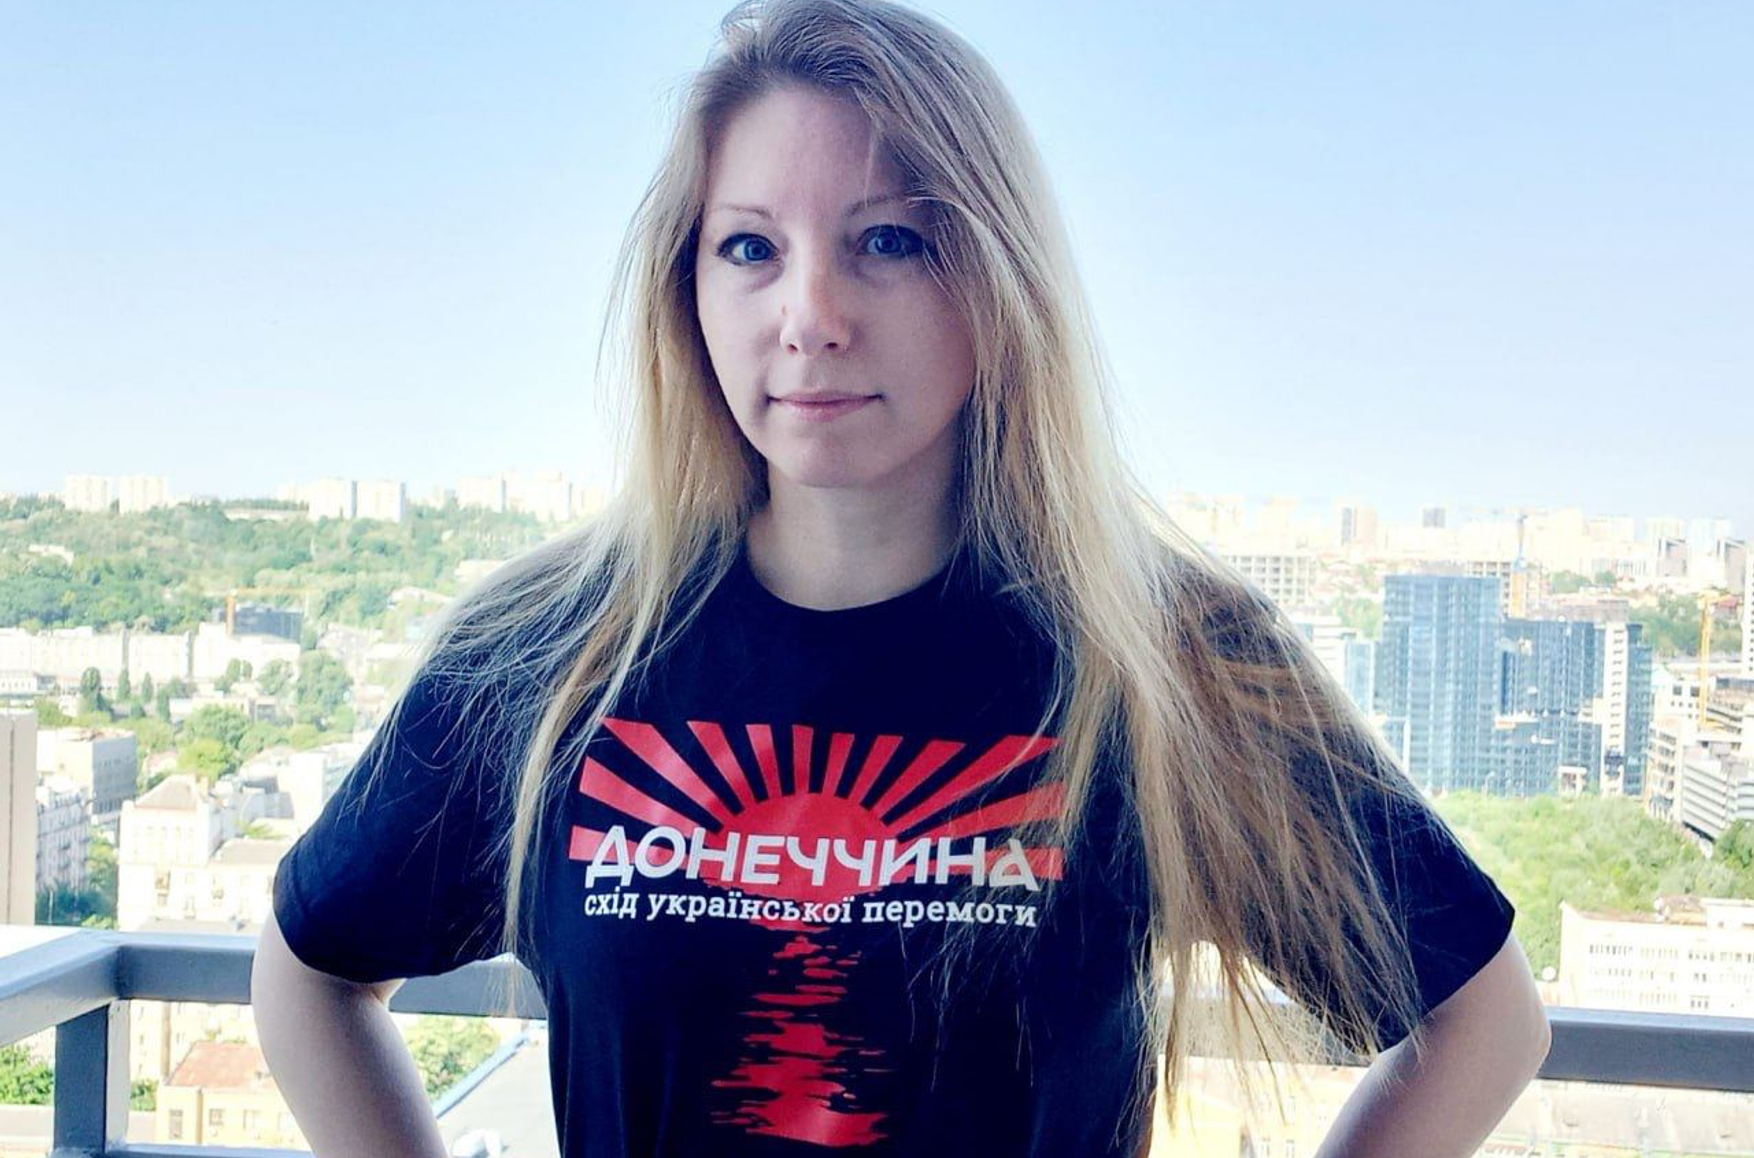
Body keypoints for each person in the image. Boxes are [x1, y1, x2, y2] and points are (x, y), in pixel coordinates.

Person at [251, 1, 1551, 1155]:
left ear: (998, 278)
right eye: (749, 248)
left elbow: (1482, 1020)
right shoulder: (545, 652)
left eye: (886, 240)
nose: (809, 314)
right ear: (684, 290)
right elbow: (309, 970)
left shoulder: (1167, 654)